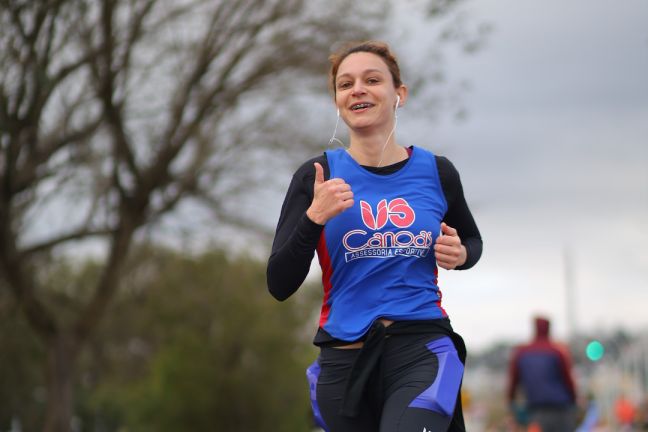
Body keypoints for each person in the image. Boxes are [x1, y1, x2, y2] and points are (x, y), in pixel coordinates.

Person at [267, 40, 482, 432]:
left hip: (422, 348)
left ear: (399, 93)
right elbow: (279, 283)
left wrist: (460, 253)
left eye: (372, 80)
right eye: (345, 84)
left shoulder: (438, 171)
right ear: (337, 101)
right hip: (344, 361)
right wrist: (314, 217)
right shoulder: (316, 176)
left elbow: (472, 242)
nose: (358, 90)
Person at [507, 316, 578, 432]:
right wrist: (574, 400)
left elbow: (513, 382)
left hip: (536, 411)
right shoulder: (558, 351)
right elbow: (568, 380)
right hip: (562, 410)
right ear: (549, 329)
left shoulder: (521, 353)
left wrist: (511, 401)